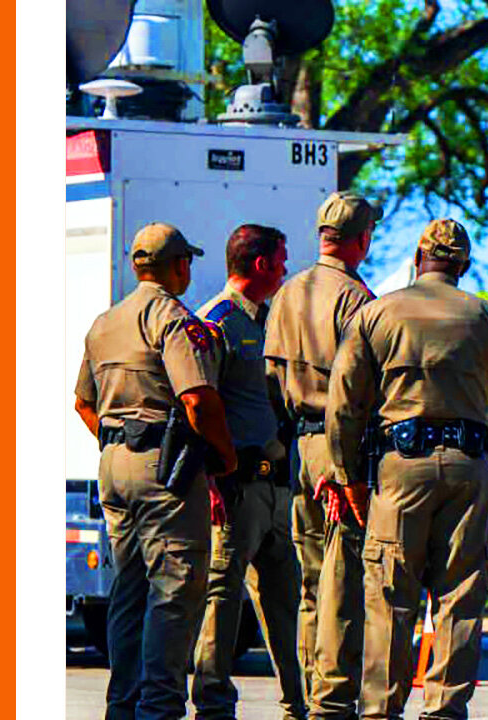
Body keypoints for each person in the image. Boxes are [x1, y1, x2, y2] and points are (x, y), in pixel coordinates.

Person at [325, 218, 488, 720]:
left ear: (418, 259)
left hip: (400, 467)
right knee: (459, 596)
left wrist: (347, 476)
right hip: (468, 467)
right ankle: (444, 711)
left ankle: (380, 711)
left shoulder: (376, 313)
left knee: (389, 598)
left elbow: (343, 407)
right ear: (463, 265)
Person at [73, 222, 238, 720]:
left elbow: (83, 403)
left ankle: (123, 705)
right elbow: (196, 399)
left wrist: (119, 441)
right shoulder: (171, 317)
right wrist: (224, 459)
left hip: (114, 463)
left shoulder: (104, 322)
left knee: (130, 586)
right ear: (180, 266)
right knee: (176, 586)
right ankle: (159, 708)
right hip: (164, 471)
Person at [264, 192, 380, 719]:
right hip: (341, 448)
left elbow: (270, 379)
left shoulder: (288, 292)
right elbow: (357, 390)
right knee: (344, 581)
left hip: (300, 445)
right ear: (361, 239)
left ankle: (307, 697)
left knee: (311, 582)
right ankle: (333, 701)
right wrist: (345, 466)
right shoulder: (355, 297)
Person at [191, 224, 306, 720]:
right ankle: (213, 705)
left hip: (276, 485)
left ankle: (298, 704)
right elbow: (195, 405)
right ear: (260, 264)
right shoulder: (213, 323)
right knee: (222, 599)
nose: (284, 269)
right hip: (234, 490)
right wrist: (211, 481)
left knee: (286, 601)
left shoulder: (270, 321)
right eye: (280, 260)